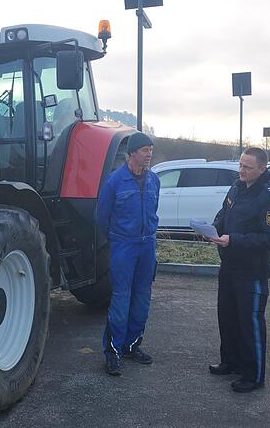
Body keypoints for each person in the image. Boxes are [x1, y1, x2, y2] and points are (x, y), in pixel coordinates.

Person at [209, 147, 270, 393]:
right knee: (228, 316)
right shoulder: (237, 186)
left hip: (251, 270)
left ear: (262, 168)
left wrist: (235, 240)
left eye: (247, 167)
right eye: (240, 165)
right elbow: (225, 211)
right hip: (229, 264)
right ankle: (231, 361)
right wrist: (214, 228)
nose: (241, 170)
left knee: (250, 322)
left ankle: (253, 375)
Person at [95, 131, 160, 376]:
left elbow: (153, 210)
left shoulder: (154, 181)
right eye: (145, 150)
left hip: (147, 246)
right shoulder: (114, 181)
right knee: (121, 299)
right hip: (124, 246)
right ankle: (113, 352)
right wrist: (117, 238)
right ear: (132, 153)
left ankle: (132, 345)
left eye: (151, 150)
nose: (149, 154)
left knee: (142, 298)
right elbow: (102, 217)